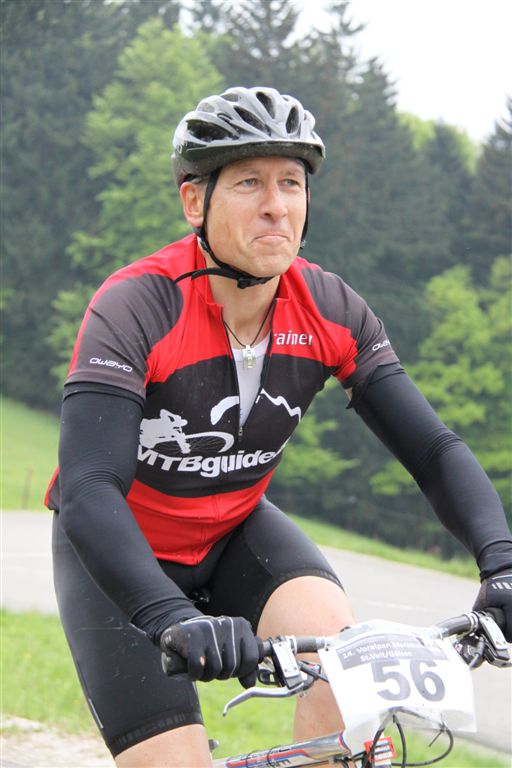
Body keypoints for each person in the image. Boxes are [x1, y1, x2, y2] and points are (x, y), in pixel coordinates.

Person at [46, 86, 512, 767]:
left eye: (291, 182)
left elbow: (434, 451)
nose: (276, 204)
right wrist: (171, 616)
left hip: (236, 531)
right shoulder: (137, 306)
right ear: (194, 202)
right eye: (249, 183)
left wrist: (503, 562)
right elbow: (90, 488)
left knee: (346, 674)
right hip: (117, 556)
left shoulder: (330, 309)